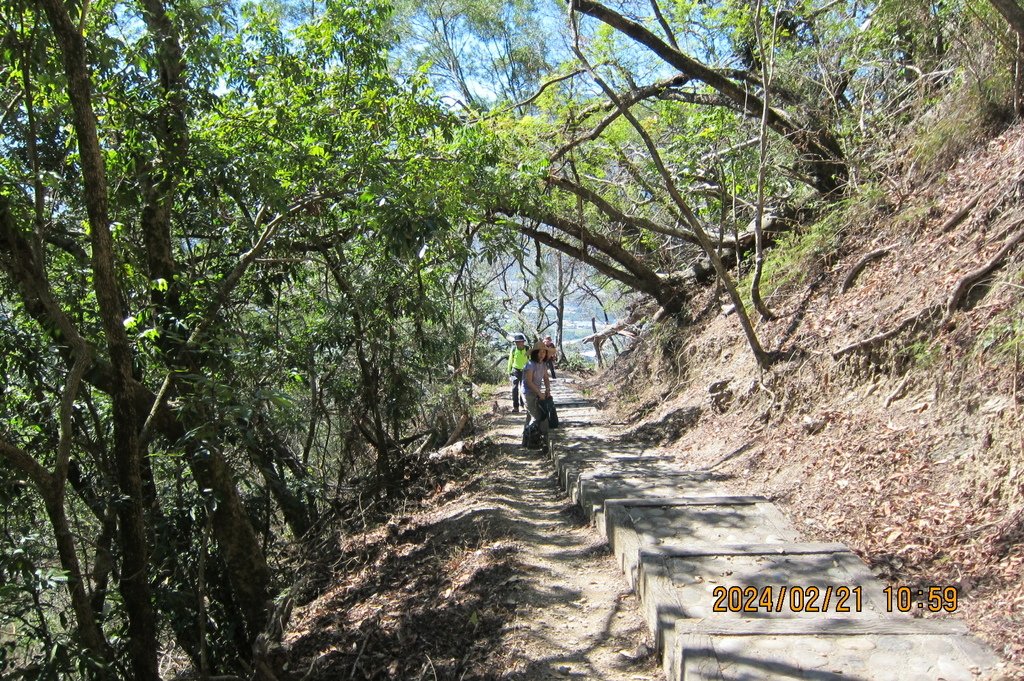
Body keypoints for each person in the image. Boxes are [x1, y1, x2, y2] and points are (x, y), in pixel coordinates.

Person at [522, 346, 551, 445]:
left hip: (536, 392)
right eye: (540, 352)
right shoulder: (530, 364)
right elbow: (529, 382)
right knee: (536, 417)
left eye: (544, 352)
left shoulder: (543, 365)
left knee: (530, 416)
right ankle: (533, 442)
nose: (542, 354)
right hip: (528, 393)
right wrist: (539, 393)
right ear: (535, 353)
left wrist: (547, 390)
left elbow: (546, 378)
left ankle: (526, 442)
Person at [506, 332, 529, 413]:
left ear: (523, 342)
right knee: (514, 388)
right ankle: (515, 407)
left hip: (525, 371)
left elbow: (530, 360)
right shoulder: (513, 349)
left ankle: (522, 406)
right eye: (516, 342)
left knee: (523, 389)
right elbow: (510, 361)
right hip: (515, 371)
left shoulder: (527, 349)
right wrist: (509, 372)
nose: (518, 343)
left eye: (520, 342)